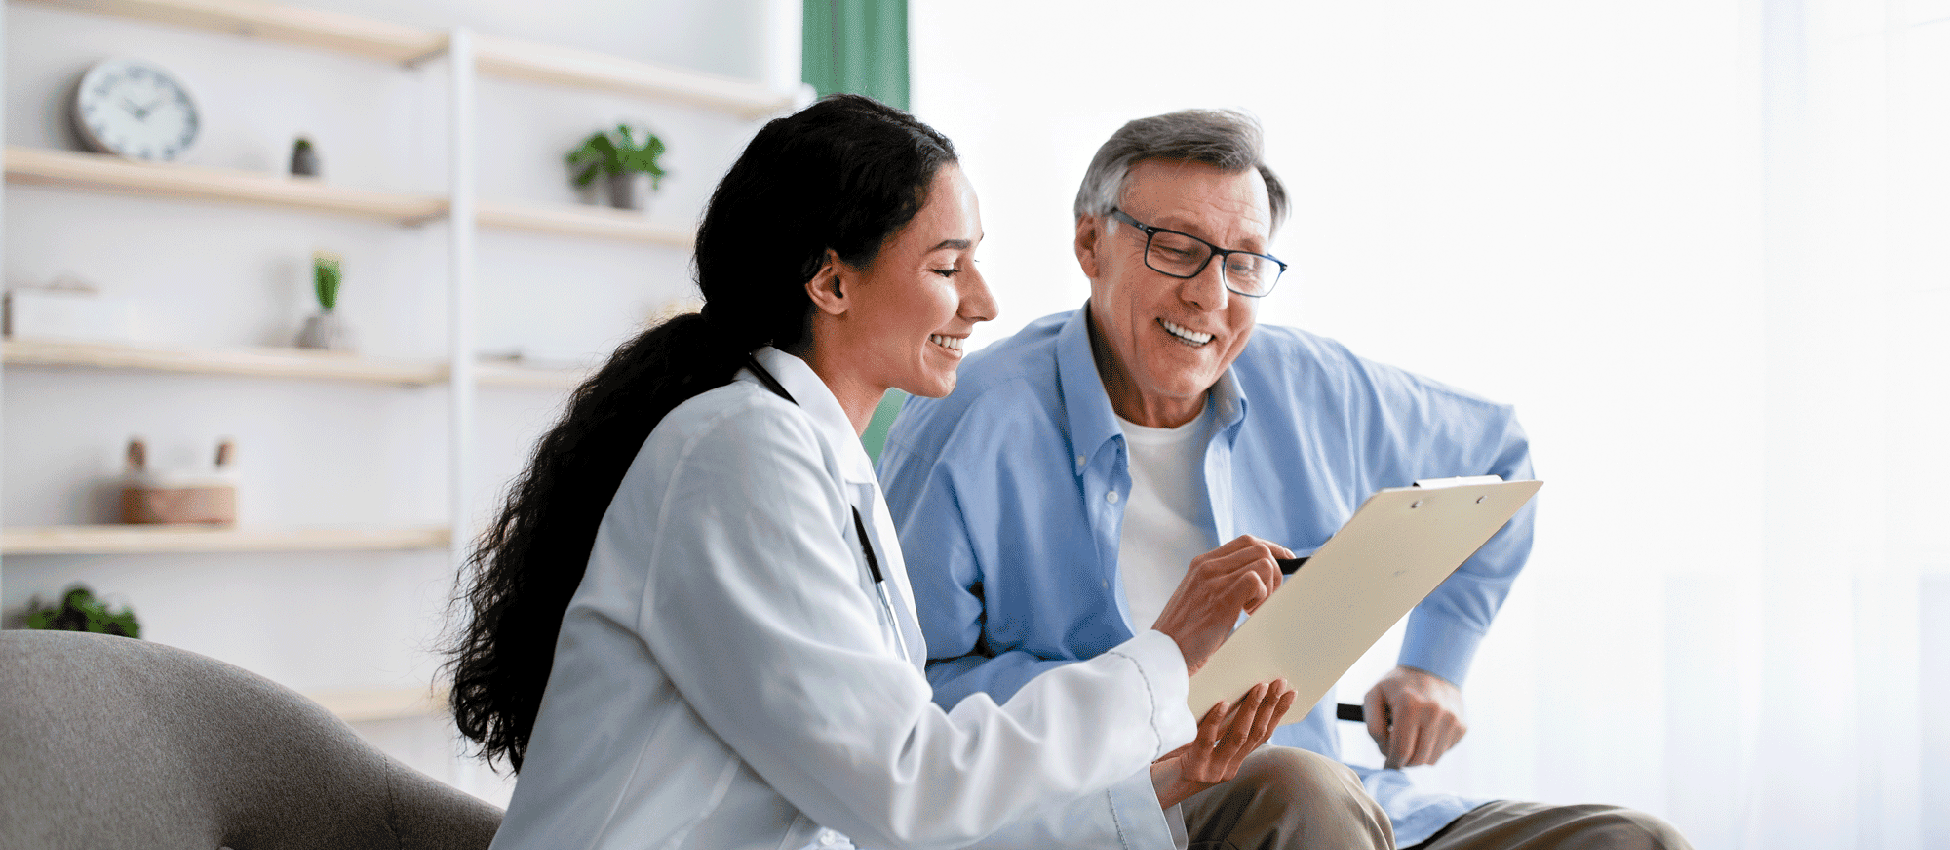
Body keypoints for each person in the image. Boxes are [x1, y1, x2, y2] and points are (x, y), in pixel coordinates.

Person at [441, 95, 1352, 850]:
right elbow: (908, 793)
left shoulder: (820, 461)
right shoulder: (737, 454)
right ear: (831, 283)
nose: (985, 302)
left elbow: (897, 805)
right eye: (950, 265)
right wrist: (1163, 656)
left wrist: (1159, 786)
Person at [878, 109, 1693, 850]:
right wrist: (1153, 685)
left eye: (1243, 264)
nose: (1210, 295)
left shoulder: (1312, 384)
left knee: (1633, 841)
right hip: (1121, 811)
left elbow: (1499, 458)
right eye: (1177, 248)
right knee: (1301, 790)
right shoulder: (966, 422)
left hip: (1349, 809)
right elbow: (914, 698)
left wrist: (1434, 664)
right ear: (1091, 245)